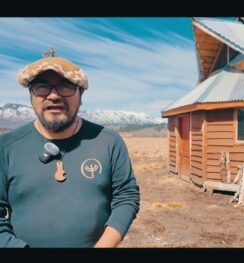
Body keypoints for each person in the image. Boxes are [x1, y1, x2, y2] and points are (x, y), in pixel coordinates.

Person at [0, 53, 140, 247]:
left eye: (65, 86)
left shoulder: (108, 141)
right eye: (42, 87)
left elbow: (126, 195)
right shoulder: (6, 147)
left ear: (81, 94)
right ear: (31, 94)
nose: (54, 96)